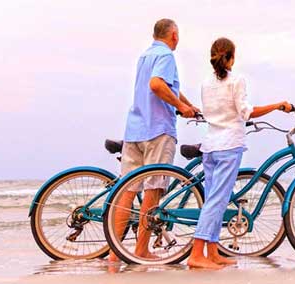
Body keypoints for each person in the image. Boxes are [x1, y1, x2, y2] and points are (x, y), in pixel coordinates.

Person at [186, 37, 294, 269]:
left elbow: (213, 112)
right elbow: (246, 112)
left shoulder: (206, 83)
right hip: (229, 145)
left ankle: (212, 252)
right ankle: (196, 254)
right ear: (232, 57)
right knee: (217, 200)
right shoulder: (237, 81)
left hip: (211, 146)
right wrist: (277, 106)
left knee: (215, 199)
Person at [108, 18, 200, 262]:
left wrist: (188, 106)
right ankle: (140, 250)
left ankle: (114, 253)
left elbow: (165, 86)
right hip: (157, 130)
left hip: (134, 129)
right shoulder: (167, 57)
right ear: (174, 35)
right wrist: (179, 105)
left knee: (127, 191)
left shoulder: (145, 56)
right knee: (153, 189)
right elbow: (157, 84)